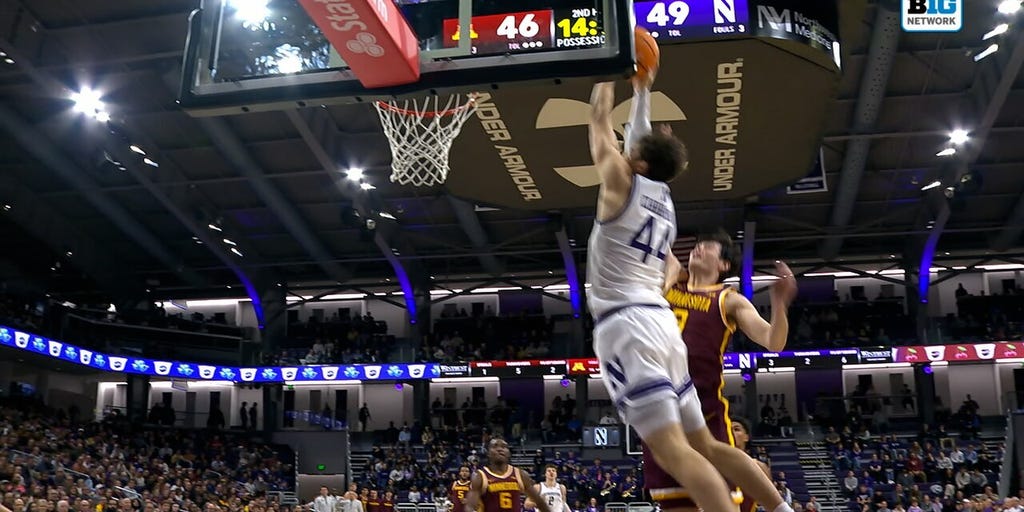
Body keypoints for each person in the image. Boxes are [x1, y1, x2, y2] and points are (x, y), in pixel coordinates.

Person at [587, 78, 791, 512]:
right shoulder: (663, 198)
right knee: (703, 448)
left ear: (636, 161)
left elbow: (599, 121)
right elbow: (635, 140)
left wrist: (607, 68)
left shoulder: (623, 184)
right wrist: (642, 89)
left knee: (678, 454)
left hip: (629, 325)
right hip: (661, 325)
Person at [644, 230, 796, 512]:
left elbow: (774, 341)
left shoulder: (729, 300)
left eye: (707, 247)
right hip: (659, 405)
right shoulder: (671, 282)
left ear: (724, 265)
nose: (697, 248)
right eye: (696, 246)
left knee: (722, 501)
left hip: (702, 405)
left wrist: (779, 305)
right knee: (674, 505)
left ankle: (780, 508)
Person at [463, 438, 552, 512]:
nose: (500, 449)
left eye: (504, 447)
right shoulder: (480, 476)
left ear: (509, 453)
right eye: (495, 446)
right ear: (488, 453)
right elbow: (469, 507)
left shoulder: (520, 474)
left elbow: (540, 502)